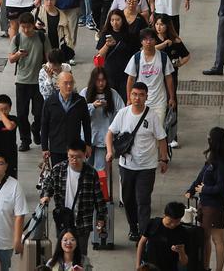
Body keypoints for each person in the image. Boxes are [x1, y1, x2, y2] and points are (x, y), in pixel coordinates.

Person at [106, 82, 169, 240]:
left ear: (146, 97)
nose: (137, 98)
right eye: (134, 94)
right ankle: (133, 227)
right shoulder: (123, 113)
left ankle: (143, 233)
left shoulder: (152, 116)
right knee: (127, 199)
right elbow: (110, 133)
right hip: (126, 166)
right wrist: (109, 151)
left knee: (143, 200)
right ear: (130, 96)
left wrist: (163, 159)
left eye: (141, 95)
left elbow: (162, 139)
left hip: (147, 167)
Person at [39, 140, 105, 258]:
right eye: (71, 156)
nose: (74, 160)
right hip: (63, 219)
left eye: (78, 157)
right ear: (67, 154)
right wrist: (46, 195)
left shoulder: (91, 173)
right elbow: (48, 185)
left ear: (85, 155)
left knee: (81, 254)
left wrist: (101, 218)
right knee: (62, 252)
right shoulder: (58, 169)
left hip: (83, 221)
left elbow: (98, 197)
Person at [186, 127, 224, 271]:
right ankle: (205, 266)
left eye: (210, 138)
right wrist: (191, 189)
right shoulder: (212, 159)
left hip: (215, 207)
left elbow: (222, 188)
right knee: (205, 237)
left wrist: (203, 189)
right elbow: (200, 177)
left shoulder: (221, 165)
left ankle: (217, 269)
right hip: (205, 204)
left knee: (217, 239)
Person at [125, 29, 176, 127]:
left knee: (158, 130)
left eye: (151, 39)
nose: (148, 42)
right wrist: (129, 99)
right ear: (141, 42)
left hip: (159, 102)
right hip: (140, 101)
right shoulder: (136, 58)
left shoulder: (163, 57)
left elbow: (169, 78)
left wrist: (172, 98)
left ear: (155, 41)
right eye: (145, 39)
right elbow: (130, 79)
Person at [40, 72, 92, 166]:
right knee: (58, 176)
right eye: (65, 83)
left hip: (75, 148)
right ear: (58, 84)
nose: (69, 86)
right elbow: (44, 126)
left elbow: (86, 124)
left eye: (71, 83)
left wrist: (88, 144)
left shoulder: (80, 101)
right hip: (56, 148)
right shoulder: (50, 102)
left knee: (75, 176)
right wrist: (44, 148)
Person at [80, 67, 124, 172]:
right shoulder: (85, 93)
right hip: (87, 139)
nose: (101, 83)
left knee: (100, 170)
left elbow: (122, 112)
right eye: (98, 80)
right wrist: (92, 106)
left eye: (103, 80)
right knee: (86, 168)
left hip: (104, 139)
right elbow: (78, 113)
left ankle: (99, 188)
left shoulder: (113, 94)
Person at [136, 202, 193, 271]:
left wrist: (181, 252)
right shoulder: (153, 224)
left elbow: (184, 262)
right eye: (170, 221)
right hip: (149, 267)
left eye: (177, 221)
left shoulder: (182, 232)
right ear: (164, 215)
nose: (173, 225)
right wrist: (138, 266)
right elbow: (142, 242)